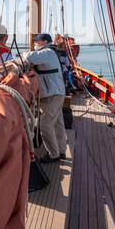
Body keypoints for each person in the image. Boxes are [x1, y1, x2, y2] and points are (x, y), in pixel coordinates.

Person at [23, 34, 67, 164]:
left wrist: (26, 53)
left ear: (44, 42)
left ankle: (54, 154)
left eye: (37, 41)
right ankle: (61, 150)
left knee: (45, 125)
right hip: (55, 93)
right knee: (58, 124)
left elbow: (30, 57)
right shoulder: (50, 52)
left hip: (53, 94)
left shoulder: (47, 52)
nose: (35, 43)